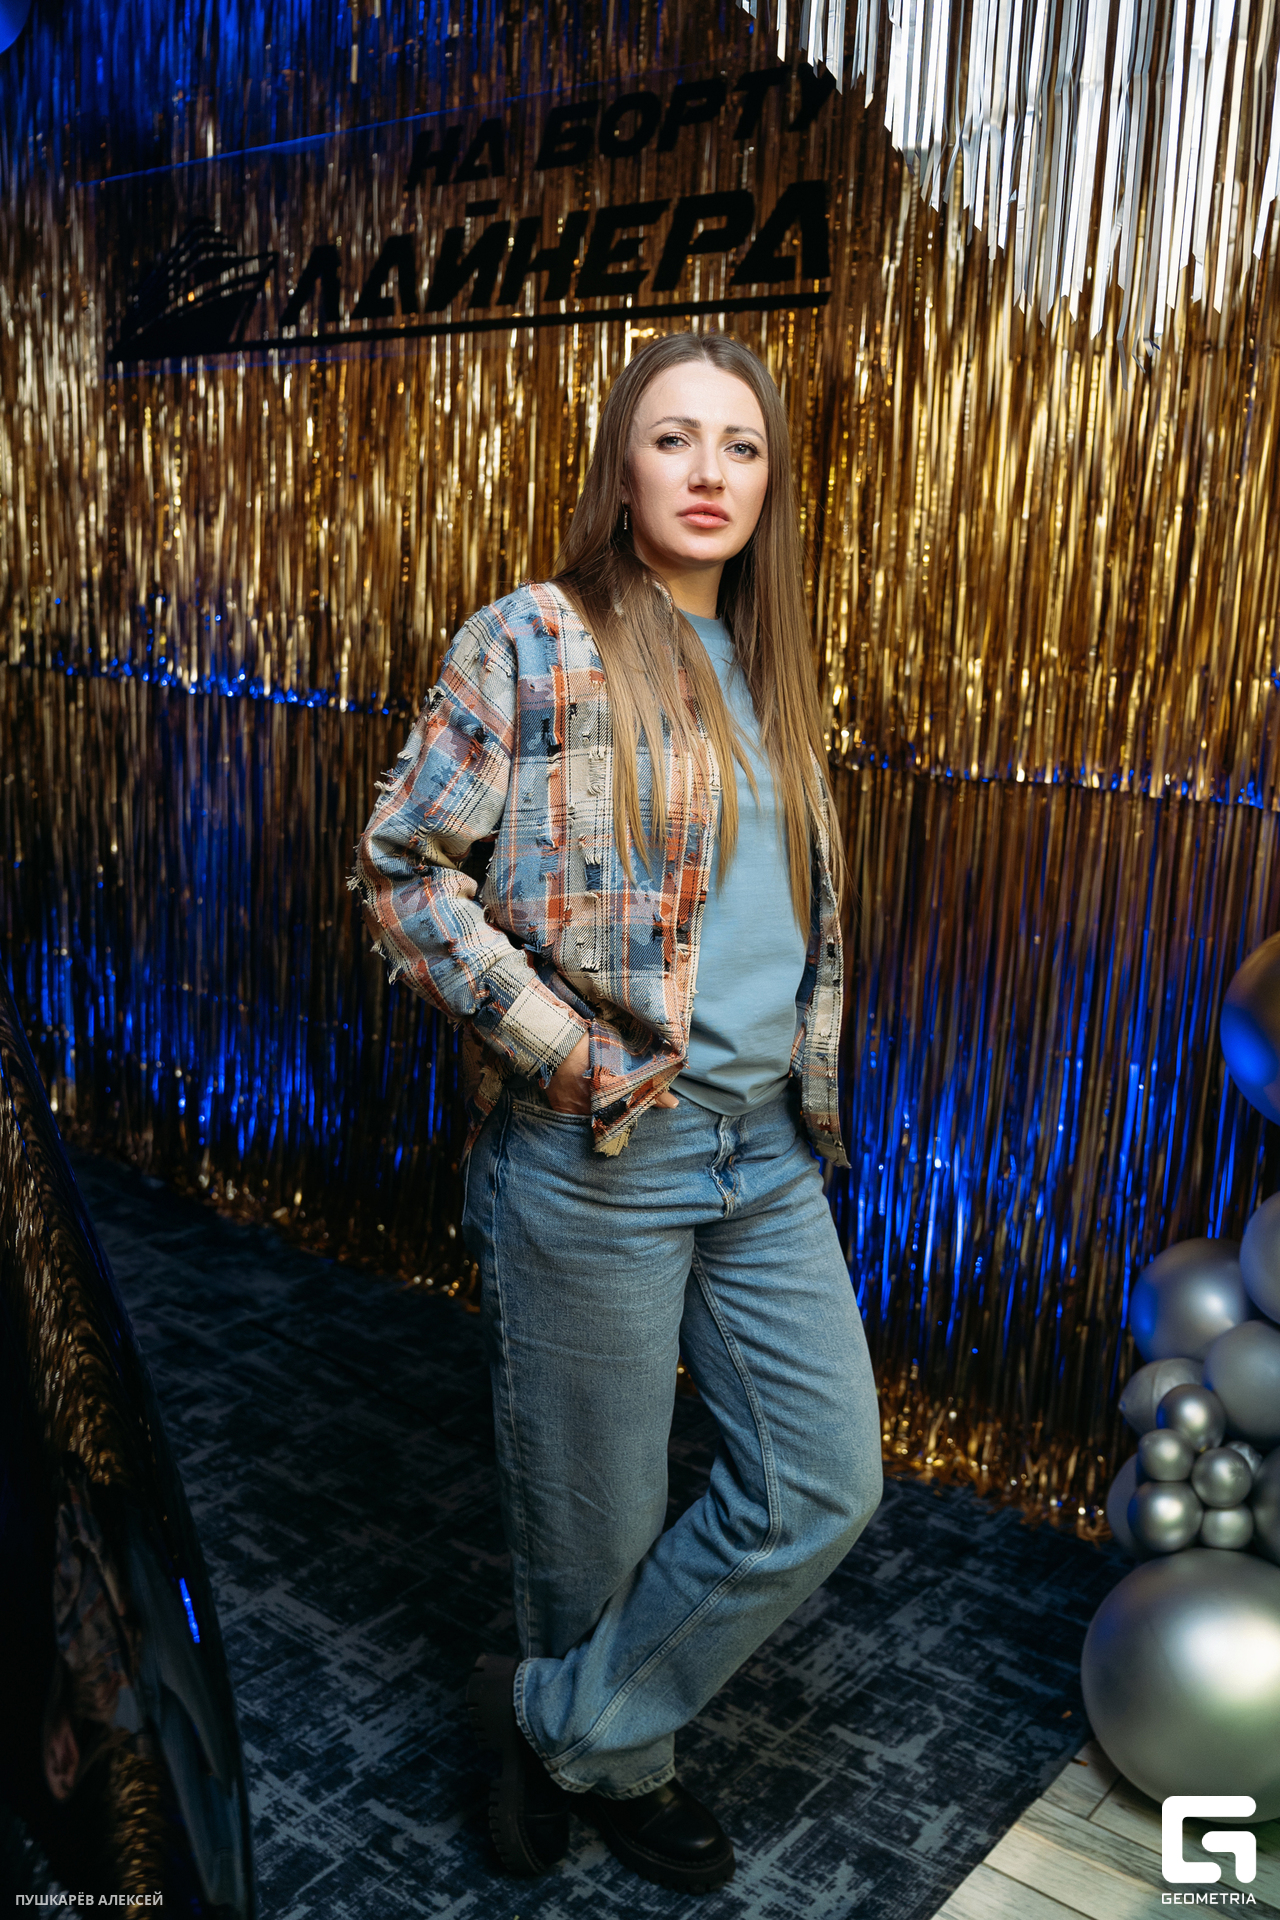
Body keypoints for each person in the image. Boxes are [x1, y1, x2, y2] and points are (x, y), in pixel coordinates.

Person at [353, 331, 883, 1895]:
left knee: (823, 1481)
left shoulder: (777, 661)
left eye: (741, 445)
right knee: (597, 1527)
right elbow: (405, 872)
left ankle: (553, 1724)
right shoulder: (536, 637)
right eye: (674, 438)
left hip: (766, 1152)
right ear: (622, 464)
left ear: (771, 481)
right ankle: (624, 1757)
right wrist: (564, 1056)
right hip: (602, 1152)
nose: (710, 472)